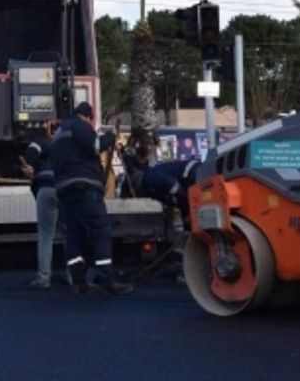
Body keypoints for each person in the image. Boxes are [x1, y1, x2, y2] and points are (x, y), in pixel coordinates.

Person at [49, 102, 134, 296]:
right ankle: (106, 278)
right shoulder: (80, 126)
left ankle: (78, 280)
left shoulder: (58, 134)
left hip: (64, 189)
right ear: (88, 117)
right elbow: (95, 146)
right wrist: (110, 136)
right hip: (84, 186)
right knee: (101, 229)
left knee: (74, 234)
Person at [20, 130, 57, 289]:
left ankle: (44, 278)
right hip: (65, 189)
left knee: (45, 235)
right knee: (71, 234)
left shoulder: (42, 142)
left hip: (46, 188)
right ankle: (74, 276)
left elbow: (30, 154)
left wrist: (29, 166)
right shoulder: (67, 147)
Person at [140, 158, 202, 231]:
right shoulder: (155, 174)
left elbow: (173, 185)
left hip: (190, 175)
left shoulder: (149, 177)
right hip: (193, 172)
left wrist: (186, 202)